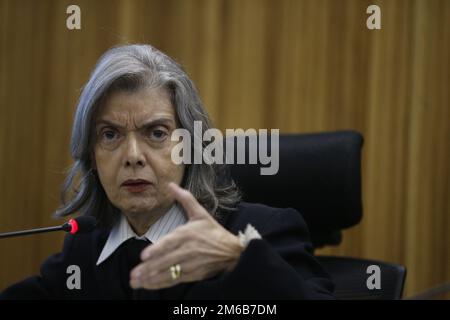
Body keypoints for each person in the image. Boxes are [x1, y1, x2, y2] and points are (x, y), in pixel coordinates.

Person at [1, 44, 334, 299]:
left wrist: (236, 258)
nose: (132, 156)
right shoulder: (86, 250)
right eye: (110, 135)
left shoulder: (262, 232)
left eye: (156, 133)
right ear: (91, 156)